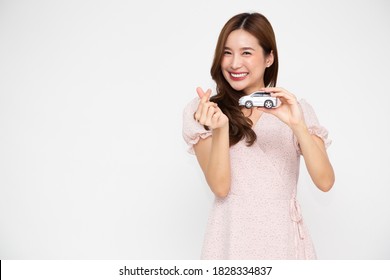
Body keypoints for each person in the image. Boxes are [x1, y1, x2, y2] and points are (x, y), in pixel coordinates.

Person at [182, 12, 335, 260]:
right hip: (229, 241)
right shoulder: (204, 111)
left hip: (283, 243)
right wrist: (220, 128)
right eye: (227, 52)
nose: (234, 64)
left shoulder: (296, 109)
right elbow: (221, 188)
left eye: (246, 53)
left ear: (269, 57)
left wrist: (297, 125)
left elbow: (325, 182)